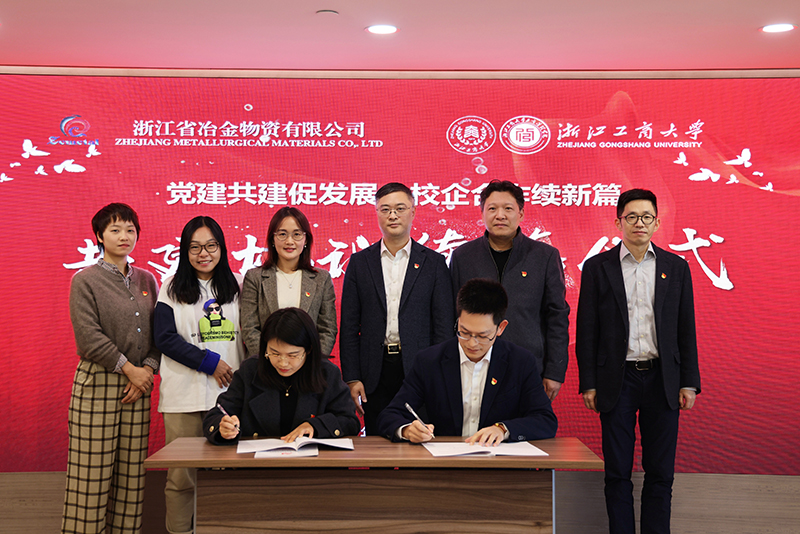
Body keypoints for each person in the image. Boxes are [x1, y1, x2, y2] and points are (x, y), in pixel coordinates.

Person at [576, 188, 701, 534]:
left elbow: (686, 327)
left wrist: (689, 382)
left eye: (646, 217)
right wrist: (589, 382)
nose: (639, 223)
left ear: (657, 223)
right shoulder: (597, 267)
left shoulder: (676, 267)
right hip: (617, 379)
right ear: (618, 222)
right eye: (631, 217)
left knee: (660, 472)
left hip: (663, 378)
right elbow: (587, 329)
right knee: (617, 471)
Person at [62, 203, 159, 534]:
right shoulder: (85, 280)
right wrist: (129, 369)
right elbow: (88, 338)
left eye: (130, 229)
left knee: (131, 477)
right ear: (100, 236)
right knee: (91, 476)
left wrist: (147, 370)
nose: (124, 236)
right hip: (98, 384)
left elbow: (159, 332)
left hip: (139, 387)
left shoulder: (147, 279)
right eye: (115, 230)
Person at [378, 278, 557, 444]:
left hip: (498, 461)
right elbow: (390, 415)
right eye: (464, 332)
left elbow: (545, 420)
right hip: (445, 460)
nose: (472, 343)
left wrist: (503, 429)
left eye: (482, 336)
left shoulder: (520, 362)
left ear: (500, 328)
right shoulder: (429, 361)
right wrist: (407, 430)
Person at [154, 216, 245, 534]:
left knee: (226, 477)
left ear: (221, 248)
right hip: (183, 397)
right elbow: (164, 338)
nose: (203, 253)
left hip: (227, 400)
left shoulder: (239, 285)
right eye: (195, 247)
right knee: (182, 479)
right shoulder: (170, 287)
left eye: (210, 246)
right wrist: (210, 363)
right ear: (185, 251)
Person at [339, 182, 454, 434]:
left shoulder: (434, 263)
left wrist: (439, 374)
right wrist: (352, 377)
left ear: (413, 211)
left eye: (400, 208)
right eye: (385, 209)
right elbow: (349, 326)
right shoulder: (360, 263)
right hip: (374, 372)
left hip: (420, 368)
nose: (393, 215)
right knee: (378, 440)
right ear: (377, 213)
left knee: (420, 438)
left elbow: (443, 326)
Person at [450, 180, 570, 401]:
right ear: (482, 213)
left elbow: (557, 317)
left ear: (521, 214)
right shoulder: (462, 256)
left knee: (526, 422)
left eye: (508, 208)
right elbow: (452, 314)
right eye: (492, 209)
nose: (500, 215)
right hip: (472, 366)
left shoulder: (544, 256)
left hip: (528, 365)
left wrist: (554, 372)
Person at [203, 307, 359, 444]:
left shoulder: (327, 373)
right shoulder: (250, 371)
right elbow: (217, 414)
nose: (283, 363)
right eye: (275, 353)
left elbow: (349, 421)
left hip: (312, 464)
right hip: (257, 462)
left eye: (293, 355)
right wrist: (223, 427)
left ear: (309, 350)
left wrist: (315, 426)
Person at [240, 207, 337, 357]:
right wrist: (272, 359)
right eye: (282, 234)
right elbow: (249, 328)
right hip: (264, 364)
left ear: (306, 239)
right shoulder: (255, 278)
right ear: (273, 239)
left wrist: (309, 361)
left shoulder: (321, 279)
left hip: (308, 366)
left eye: (297, 234)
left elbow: (327, 329)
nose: (289, 241)